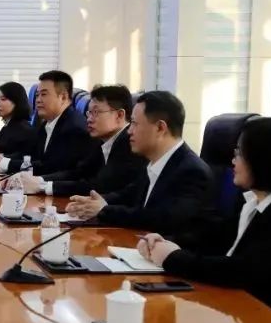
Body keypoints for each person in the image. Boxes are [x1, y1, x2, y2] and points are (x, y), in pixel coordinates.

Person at [137, 118, 271, 323]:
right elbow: (214, 238)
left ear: (264, 159)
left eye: (239, 153)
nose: (233, 161)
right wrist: (165, 242)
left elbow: (240, 271)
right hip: (244, 315)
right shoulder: (253, 203)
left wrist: (172, 258)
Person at [65, 91, 212, 234]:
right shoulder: (156, 161)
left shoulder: (192, 171)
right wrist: (96, 202)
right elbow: (129, 194)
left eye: (135, 124)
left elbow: (162, 218)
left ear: (160, 128)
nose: (129, 131)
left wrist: (104, 210)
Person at [19, 85, 147, 196]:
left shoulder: (130, 144)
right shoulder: (102, 141)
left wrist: (43, 186)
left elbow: (99, 186)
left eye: (96, 112)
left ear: (119, 115)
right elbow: (78, 173)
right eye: (89, 113)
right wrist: (38, 180)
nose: (89, 119)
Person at [0, 71, 92, 176]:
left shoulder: (73, 128)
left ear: (63, 97)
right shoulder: (47, 124)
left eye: (44, 94)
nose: (38, 100)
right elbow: (30, 155)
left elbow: (49, 168)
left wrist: (3, 163)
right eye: (37, 95)